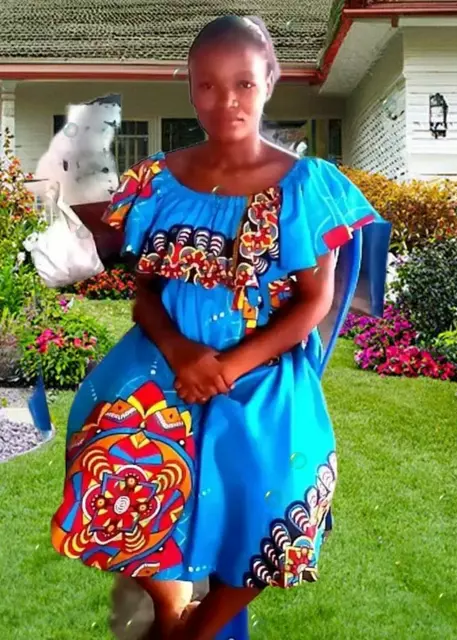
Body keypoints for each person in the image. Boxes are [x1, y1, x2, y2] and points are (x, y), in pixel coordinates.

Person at [51, 15, 385, 640]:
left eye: (243, 84)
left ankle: (200, 627)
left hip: (262, 364)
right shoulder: (157, 182)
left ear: (269, 83)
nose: (226, 100)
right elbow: (145, 296)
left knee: (284, 487)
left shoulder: (307, 187)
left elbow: (314, 301)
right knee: (111, 448)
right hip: (165, 357)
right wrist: (183, 355)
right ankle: (168, 607)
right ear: (190, 89)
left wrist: (228, 366)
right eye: (207, 85)